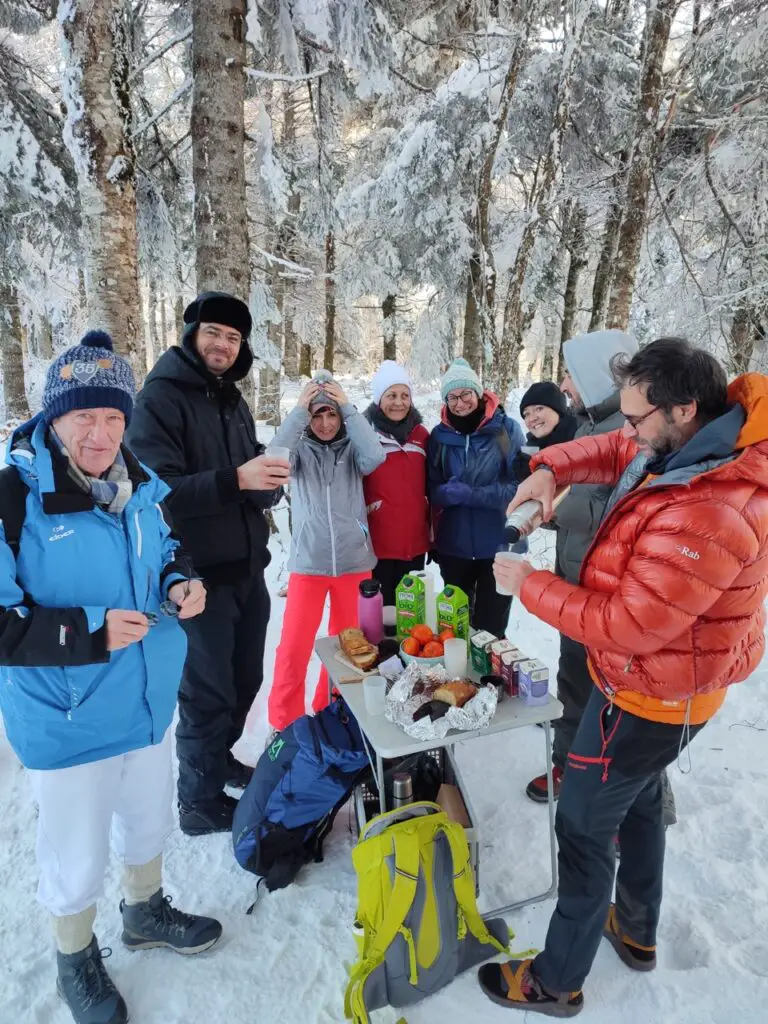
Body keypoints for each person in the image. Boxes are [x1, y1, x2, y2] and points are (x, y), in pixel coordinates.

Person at [481, 337, 768, 1016]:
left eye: (638, 417)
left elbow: (630, 624)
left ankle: (555, 980)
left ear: (683, 408)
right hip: (661, 684)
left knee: (583, 831)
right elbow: (618, 451)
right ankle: (636, 931)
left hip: (647, 695)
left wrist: (532, 586)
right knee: (637, 801)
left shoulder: (711, 508)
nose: (627, 430)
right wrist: (550, 468)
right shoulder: (692, 444)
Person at [0, 331, 220, 1024]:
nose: (101, 434)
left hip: (147, 699)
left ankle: (145, 910)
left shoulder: (139, 486)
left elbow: (163, 554)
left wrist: (181, 582)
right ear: (53, 419)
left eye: (113, 417)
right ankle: (74, 957)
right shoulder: (13, 496)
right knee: (76, 846)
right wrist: (88, 630)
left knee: (147, 817)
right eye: (84, 418)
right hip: (67, 714)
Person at [127, 292, 290, 836]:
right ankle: (196, 801)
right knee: (207, 691)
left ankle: (218, 762)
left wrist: (264, 486)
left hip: (245, 568)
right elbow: (157, 492)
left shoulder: (231, 400)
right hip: (194, 575)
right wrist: (236, 480)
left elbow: (239, 477)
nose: (224, 344)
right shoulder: (161, 399)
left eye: (234, 337)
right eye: (214, 332)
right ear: (193, 332)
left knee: (246, 679)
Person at [523, 330, 637, 803]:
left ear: (594, 373)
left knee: (614, 694)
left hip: (609, 590)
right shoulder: (593, 425)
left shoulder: (625, 430)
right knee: (574, 678)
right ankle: (567, 767)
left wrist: (540, 505)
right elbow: (578, 514)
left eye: (570, 374)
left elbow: (597, 513)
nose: (565, 386)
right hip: (579, 580)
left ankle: (620, 793)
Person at [267, 372, 385, 731]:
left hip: (354, 563)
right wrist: (300, 411)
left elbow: (376, 455)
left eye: (331, 414)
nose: (325, 423)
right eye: (317, 415)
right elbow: (274, 455)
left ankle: (332, 710)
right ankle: (284, 724)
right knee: (294, 648)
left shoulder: (354, 451)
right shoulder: (299, 452)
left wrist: (349, 408)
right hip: (309, 565)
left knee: (347, 650)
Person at [428, 357, 525, 637]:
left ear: (479, 393)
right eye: (452, 397)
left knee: (491, 629)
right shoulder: (439, 437)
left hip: (500, 545)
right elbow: (431, 488)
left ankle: (491, 680)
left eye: (466, 394)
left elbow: (519, 489)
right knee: (454, 628)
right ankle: (455, 680)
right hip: (454, 547)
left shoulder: (506, 431)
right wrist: (444, 493)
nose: (460, 403)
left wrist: (471, 494)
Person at [363, 360, 430, 605]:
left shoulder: (422, 435)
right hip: (377, 546)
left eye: (404, 395)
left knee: (412, 616)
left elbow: (430, 485)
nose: (399, 402)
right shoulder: (365, 435)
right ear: (379, 398)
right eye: (391, 395)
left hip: (415, 543)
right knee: (379, 619)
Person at [512, 381, 578, 482]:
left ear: (558, 409)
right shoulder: (527, 453)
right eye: (526, 414)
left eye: (539, 409)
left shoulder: (579, 442)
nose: (532, 418)